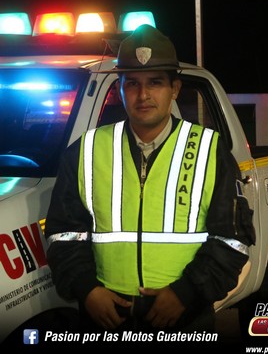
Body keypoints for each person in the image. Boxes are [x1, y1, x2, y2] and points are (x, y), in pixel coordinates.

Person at [45, 24, 255, 335]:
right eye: (132, 83)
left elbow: (233, 239)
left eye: (155, 82)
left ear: (175, 89)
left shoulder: (210, 150)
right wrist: (87, 290)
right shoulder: (86, 151)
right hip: (106, 320)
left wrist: (185, 293)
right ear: (119, 89)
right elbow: (63, 234)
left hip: (185, 320)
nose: (143, 95)